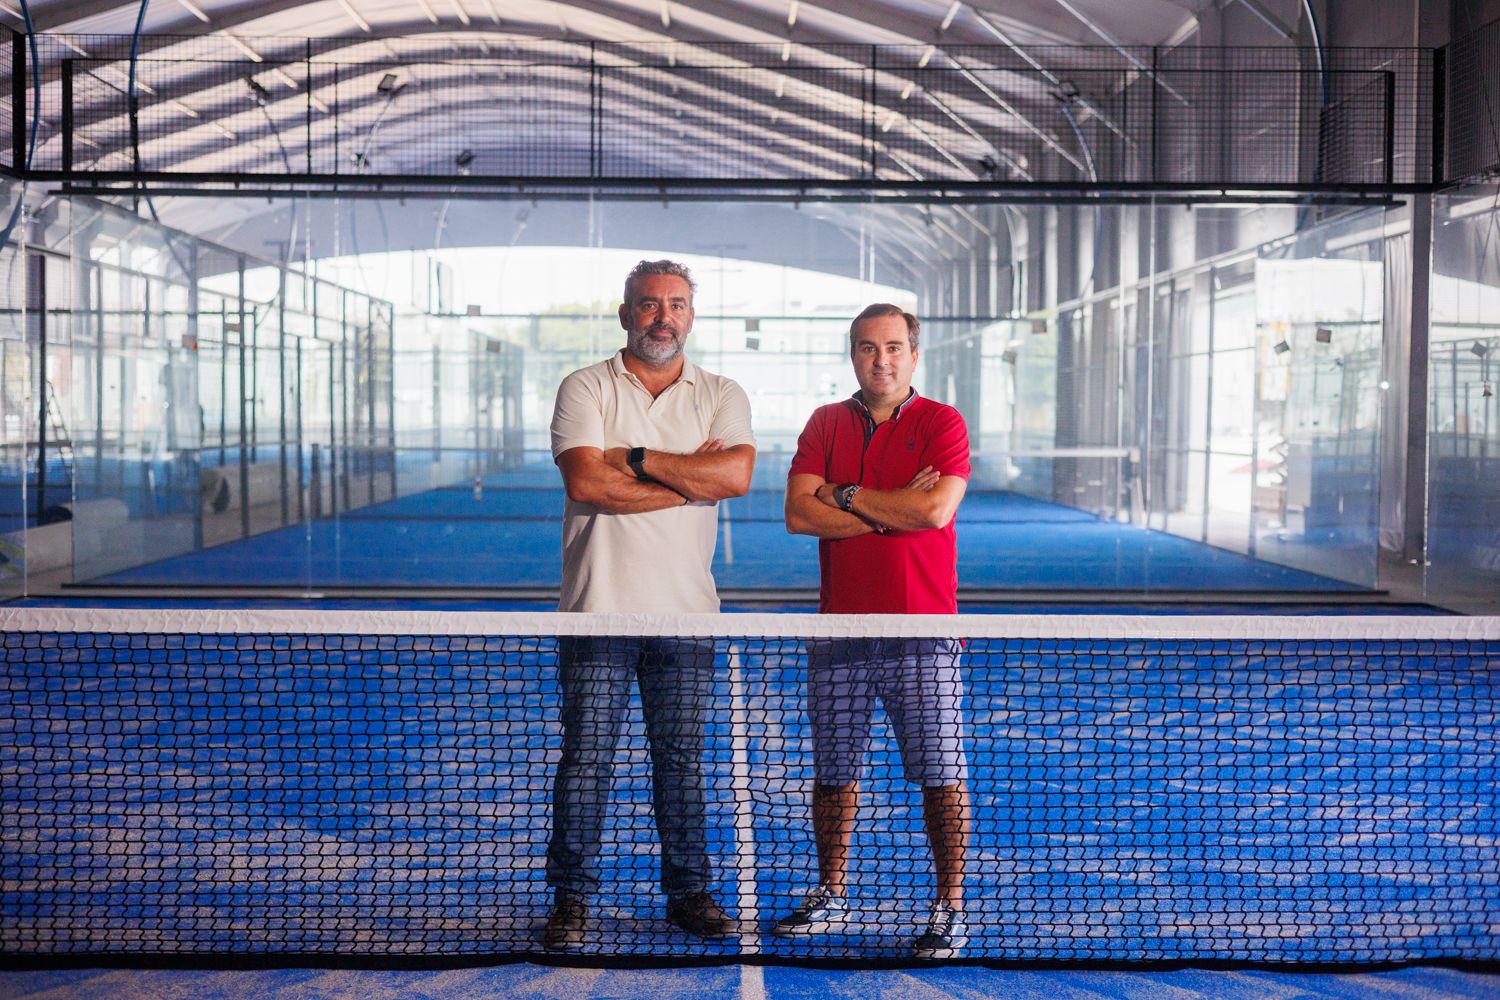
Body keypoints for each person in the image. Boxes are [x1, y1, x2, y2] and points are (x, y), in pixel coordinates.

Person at [543, 259, 755, 950]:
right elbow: (587, 481)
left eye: (676, 304)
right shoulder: (584, 386)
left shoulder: (722, 392)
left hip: (686, 617)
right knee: (586, 760)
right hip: (596, 612)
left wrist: (630, 458)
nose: (663, 316)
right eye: (648, 304)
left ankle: (688, 894)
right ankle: (570, 900)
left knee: (682, 761)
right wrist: (688, 479)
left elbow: (737, 474)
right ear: (625, 312)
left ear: (691, 314)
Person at [777, 303, 971, 959]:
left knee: (941, 775)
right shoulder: (825, 422)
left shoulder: (943, 422)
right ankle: (831, 892)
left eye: (892, 347)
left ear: (913, 355)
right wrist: (896, 511)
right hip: (841, 635)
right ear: (852, 354)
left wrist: (847, 495)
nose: (880, 360)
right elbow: (800, 517)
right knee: (835, 775)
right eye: (867, 347)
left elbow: (937, 508)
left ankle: (949, 908)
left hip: (923, 633)